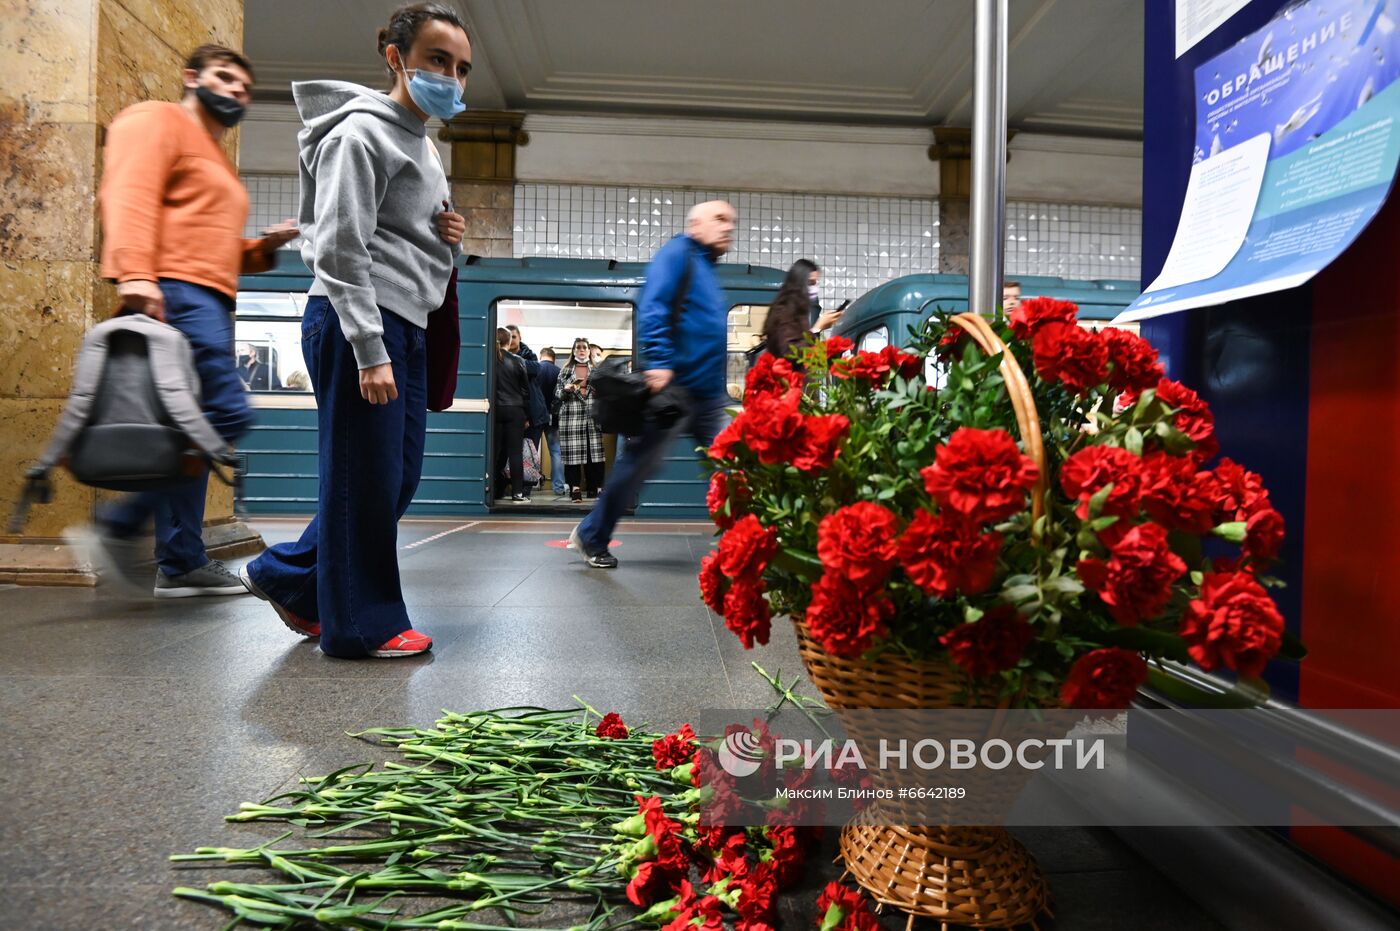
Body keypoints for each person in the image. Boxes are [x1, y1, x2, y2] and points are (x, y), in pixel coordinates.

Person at [239, 1, 470, 658]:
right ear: (396, 58)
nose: (451, 79)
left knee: (392, 476)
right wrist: (370, 350)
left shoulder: (422, 142)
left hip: (407, 322)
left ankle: (293, 580)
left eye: (461, 69)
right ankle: (360, 624)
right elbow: (339, 248)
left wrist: (443, 232)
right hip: (358, 321)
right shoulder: (359, 135)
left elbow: (393, 231)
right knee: (361, 475)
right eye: (437, 60)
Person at [77, 43, 299, 599]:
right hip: (175, 292)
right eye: (225, 78)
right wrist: (134, 274)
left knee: (189, 428)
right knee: (224, 412)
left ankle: (179, 560)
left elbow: (212, 245)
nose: (235, 93)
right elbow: (128, 192)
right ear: (192, 76)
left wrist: (261, 247)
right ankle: (119, 528)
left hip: (210, 298)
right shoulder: (158, 120)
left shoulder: (213, 156)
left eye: (244, 89)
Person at [570, 200, 737, 568]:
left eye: (732, 221)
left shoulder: (707, 268)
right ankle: (591, 535)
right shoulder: (678, 253)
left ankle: (746, 545)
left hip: (707, 396)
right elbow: (655, 305)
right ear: (695, 225)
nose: (728, 227)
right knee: (638, 466)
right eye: (720, 219)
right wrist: (659, 361)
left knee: (733, 466)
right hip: (674, 390)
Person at [761, 259, 844, 365]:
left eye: (815, 283)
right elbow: (790, 352)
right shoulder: (785, 310)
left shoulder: (797, 311)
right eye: (810, 283)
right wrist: (817, 328)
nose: (814, 288)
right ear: (798, 283)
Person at [555, 337, 606, 502]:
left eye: (584, 347)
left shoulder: (597, 370)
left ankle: (596, 488)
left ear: (589, 350)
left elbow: (605, 394)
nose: (581, 350)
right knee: (573, 456)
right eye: (578, 347)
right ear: (574, 350)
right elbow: (557, 394)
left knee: (595, 455)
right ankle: (575, 489)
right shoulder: (565, 370)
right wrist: (566, 389)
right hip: (571, 416)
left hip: (592, 416)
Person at [492, 327, 532, 502]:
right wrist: (527, 415)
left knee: (495, 452)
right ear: (509, 341)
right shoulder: (517, 360)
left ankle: (493, 490)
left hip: (495, 410)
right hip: (515, 410)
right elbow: (525, 391)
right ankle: (517, 493)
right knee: (515, 453)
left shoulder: (490, 359)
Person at [534, 347, 568, 497]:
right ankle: (559, 487)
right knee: (556, 452)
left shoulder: (535, 369)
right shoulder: (559, 371)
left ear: (541, 356)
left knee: (531, 449)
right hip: (554, 416)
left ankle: (527, 486)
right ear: (553, 358)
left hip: (536, 416)